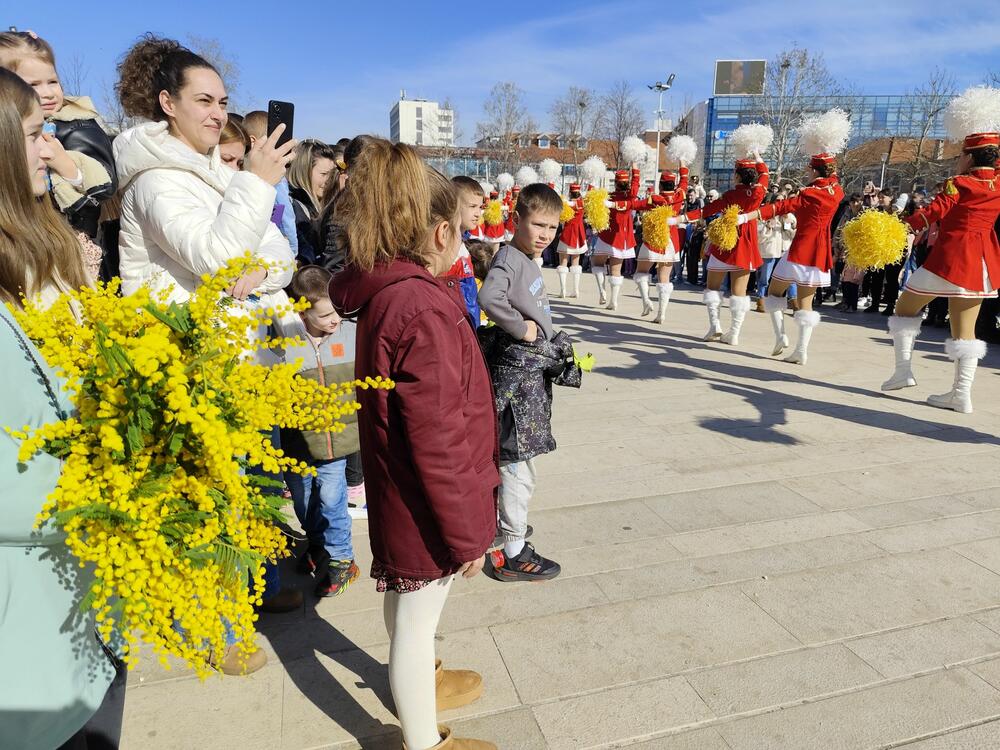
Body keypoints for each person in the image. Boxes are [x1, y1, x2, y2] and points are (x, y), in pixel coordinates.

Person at [113, 35, 302, 631]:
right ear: (167, 103)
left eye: (223, 101)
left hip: (238, 359)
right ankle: (215, 624)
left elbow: (279, 256)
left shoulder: (212, 175)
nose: (217, 113)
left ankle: (249, 591)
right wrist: (257, 182)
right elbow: (215, 255)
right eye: (203, 100)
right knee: (203, 501)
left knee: (245, 487)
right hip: (181, 369)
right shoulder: (156, 182)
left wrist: (254, 265)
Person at [330, 139, 498, 750]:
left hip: (402, 488)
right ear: (437, 234)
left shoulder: (389, 293)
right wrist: (467, 533)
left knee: (406, 603)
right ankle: (425, 740)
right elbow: (440, 438)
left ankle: (420, 680)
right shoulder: (422, 307)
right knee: (417, 620)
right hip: (426, 500)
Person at [0, 66, 124, 750]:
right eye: (33, 134)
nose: (49, 148)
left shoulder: (40, 245)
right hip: (27, 622)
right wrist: (112, 484)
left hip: (80, 596)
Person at [881, 105, 1000, 414]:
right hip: (983, 263)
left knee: (904, 308)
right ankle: (961, 394)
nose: (958, 159)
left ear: (970, 157)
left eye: (961, 154)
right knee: (965, 331)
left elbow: (935, 211)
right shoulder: (997, 184)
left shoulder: (959, 183)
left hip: (950, 259)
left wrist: (901, 227)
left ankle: (903, 371)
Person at [478, 182, 563, 583]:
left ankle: (507, 528)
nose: (545, 234)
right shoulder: (510, 259)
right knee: (517, 463)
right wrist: (521, 329)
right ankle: (512, 548)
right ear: (517, 220)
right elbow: (490, 298)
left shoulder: (526, 257)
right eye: (538, 224)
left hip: (529, 377)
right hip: (516, 379)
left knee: (521, 460)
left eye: (552, 226)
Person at [275, 265, 361, 598]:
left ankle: (343, 559)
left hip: (335, 440)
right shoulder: (285, 342)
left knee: (331, 497)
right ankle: (318, 543)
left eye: (336, 310)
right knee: (302, 498)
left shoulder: (349, 333)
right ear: (301, 311)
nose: (334, 320)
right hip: (297, 441)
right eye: (325, 315)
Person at [741, 110, 850, 365]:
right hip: (819, 251)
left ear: (815, 170)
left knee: (773, 293)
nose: (806, 170)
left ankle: (781, 337)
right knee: (805, 304)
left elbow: (782, 207)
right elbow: (831, 179)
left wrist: (749, 216)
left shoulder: (812, 192)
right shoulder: (836, 190)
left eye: (809, 168)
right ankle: (801, 350)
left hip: (801, 248)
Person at [0, 31, 116, 245]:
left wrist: (64, 163)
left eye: (52, 81)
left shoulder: (75, 125)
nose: (48, 93)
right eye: (33, 85)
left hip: (71, 233)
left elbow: (105, 184)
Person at [682, 152, 768, 345]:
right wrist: (759, 159)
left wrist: (683, 218)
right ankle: (734, 333)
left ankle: (714, 326)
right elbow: (765, 176)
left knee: (712, 287)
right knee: (740, 292)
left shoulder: (730, 195)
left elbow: (706, 211)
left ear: (737, 176)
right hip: (746, 244)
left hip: (724, 244)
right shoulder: (758, 193)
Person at [243, 109, 299, 260]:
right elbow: (283, 212)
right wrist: (292, 250)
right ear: (253, 141)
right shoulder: (275, 177)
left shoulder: (242, 171)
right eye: (275, 141)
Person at [636, 165, 688, 322]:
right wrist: (682, 163)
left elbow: (636, 205)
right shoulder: (679, 196)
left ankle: (646, 301)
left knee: (641, 271)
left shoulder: (655, 199)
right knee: (664, 278)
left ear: (660, 185)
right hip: (671, 241)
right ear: (673, 185)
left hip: (653, 240)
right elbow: (684, 182)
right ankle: (661, 314)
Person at [594, 165, 643, 310]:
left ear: (615, 182)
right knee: (616, 270)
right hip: (622, 237)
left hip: (606, 235)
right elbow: (635, 189)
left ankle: (602, 291)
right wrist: (635, 171)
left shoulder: (609, 196)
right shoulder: (630, 196)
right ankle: (613, 301)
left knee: (597, 264)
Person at [287, 138, 338, 265]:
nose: (329, 180)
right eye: (324, 174)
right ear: (303, 171)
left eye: (331, 175)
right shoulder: (287, 206)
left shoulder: (323, 205)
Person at [449, 175, 486, 325]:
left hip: (470, 321)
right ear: (452, 205)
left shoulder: (462, 241)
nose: (478, 213)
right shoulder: (447, 247)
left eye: (480, 207)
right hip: (457, 323)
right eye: (472, 206)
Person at [555, 183, 586, 298]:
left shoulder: (566, 203)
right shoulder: (582, 203)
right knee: (575, 263)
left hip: (567, 234)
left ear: (570, 192)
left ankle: (563, 290)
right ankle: (576, 290)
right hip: (579, 235)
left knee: (563, 262)